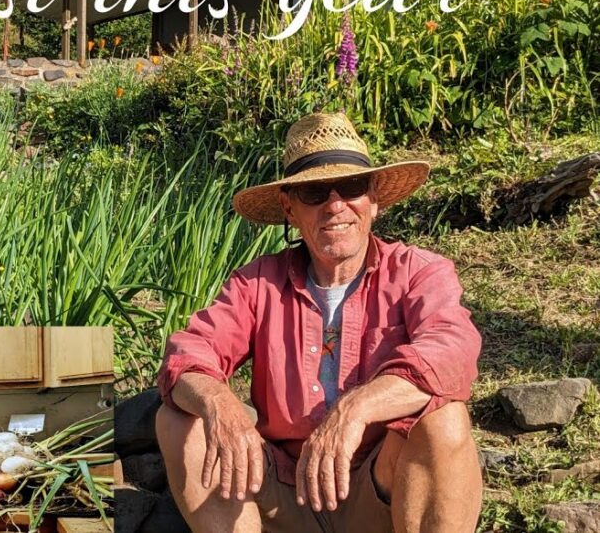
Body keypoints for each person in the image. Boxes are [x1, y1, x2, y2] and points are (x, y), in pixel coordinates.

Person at [156, 113, 482, 533]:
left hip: (380, 490)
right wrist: (220, 404)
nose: (335, 205)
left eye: (351, 188)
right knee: (180, 417)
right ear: (290, 209)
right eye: (314, 192)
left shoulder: (419, 272)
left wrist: (356, 408)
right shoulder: (256, 282)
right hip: (283, 494)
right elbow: (189, 352)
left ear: (374, 200)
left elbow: (450, 351)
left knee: (444, 417)